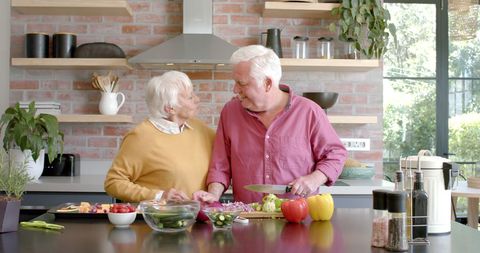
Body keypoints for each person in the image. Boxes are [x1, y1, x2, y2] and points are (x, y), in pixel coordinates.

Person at [194, 45, 347, 204]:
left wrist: (314, 179)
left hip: (300, 218)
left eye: (242, 83)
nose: (235, 89)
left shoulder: (309, 112)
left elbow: (336, 154)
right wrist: (213, 194)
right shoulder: (230, 113)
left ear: (267, 83)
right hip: (247, 219)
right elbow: (220, 166)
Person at [104, 71, 215, 203]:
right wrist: (158, 196)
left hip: (197, 219)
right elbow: (113, 182)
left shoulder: (201, 130)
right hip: (156, 221)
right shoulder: (140, 137)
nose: (197, 99)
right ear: (170, 108)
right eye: (190, 97)